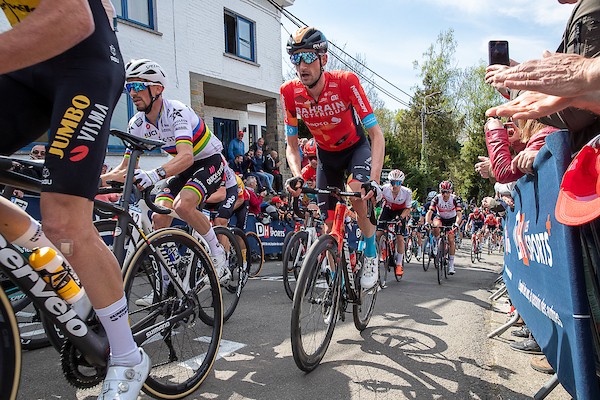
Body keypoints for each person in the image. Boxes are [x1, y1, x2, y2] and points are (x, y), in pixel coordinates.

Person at [0, 1, 152, 399]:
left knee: (65, 220)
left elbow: (72, 15)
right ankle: (59, 274)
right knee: (51, 228)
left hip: (82, 58)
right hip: (25, 65)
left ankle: (126, 355)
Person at [102, 59, 231, 286]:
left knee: (183, 205)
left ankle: (217, 252)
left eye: (138, 86)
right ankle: (167, 283)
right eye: (129, 87)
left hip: (208, 161)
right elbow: (125, 168)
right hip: (182, 168)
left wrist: (154, 175)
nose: (132, 93)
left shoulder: (177, 112)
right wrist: (98, 179)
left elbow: (186, 156)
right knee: (159, 216)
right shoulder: (137, 123)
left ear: (157, 88)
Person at [281, 26, 385, 290]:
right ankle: (339, 273)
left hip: (355, 149)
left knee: (357, 192)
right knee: (328, 225)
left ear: (323, 59)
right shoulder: (290, 93)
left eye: (307, 57)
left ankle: (371, 254)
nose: (301, 65)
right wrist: (295, 173)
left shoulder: (346, 82)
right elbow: (291, 146)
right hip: (327, 156)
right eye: (295, 57)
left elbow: (376, 134)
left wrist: (373, 180)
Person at [376, 170, 412, 277]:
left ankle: (399, 264)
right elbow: (376, 202)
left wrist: (401, 218)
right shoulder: (384, 189)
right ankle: (383, 249)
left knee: (400, 238)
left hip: (401, 211)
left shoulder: (407, 192)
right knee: (378, 234)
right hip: (388, 209)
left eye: (397, 183)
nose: (394, 186)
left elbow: (408, 208)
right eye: (392, 182)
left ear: (401, 183)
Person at [424, 181, 462, 275]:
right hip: (440, 217)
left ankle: (451, 265)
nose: (445, 194)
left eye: (447, 192)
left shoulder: (455, 199)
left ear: (451, 191)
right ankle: (437, 243)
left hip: (452, 219)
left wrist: (456, 224)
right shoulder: (437, 198)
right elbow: (430, 212)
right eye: (443, 192)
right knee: (435, 227)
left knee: (451, 239)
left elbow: (459, 214)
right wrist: (426, 222)